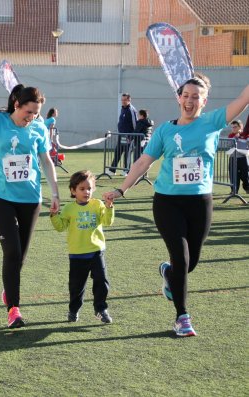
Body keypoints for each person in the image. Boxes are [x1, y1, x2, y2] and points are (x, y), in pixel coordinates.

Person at [103, 76, 249, 337]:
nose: (190, 100)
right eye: (187, 95)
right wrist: (121, 189)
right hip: (167, 202)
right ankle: (182, 317)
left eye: (196, 97)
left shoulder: (212, 122)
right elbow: (143, 162)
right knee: (181, 258)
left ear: (204, 101)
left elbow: (243, 100)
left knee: (189, 262)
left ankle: (168, 272)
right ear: (178, 98)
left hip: (200, 202)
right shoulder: (164, 131)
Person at [0, 64, 60, 328]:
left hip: (30, 198)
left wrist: (55, 192)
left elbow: (46, 160)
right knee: (12, 251)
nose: (31, 118)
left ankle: (9, 290)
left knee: (20, 257)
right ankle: (14, 309)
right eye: (28, 112)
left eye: (36, 113)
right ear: (16, 104)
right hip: (0, 196)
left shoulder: (38, 127)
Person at [50, 170, 114, 324]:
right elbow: (60, 227)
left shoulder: (97, 204)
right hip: (77, 254)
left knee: (102, 281)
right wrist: (54, 215)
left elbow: (107, 222)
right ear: (73, 191)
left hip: (96, 252)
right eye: (82, 189)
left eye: (89, 188)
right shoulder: (69, 209)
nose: (86, 192)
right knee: (76, 287)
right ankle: (74, 310)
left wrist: (109, 207)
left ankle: (100, 309)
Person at [108, 93, 137, 175]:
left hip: (129, 137)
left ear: (129, 100)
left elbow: (135, 124)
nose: (123, 101)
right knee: (117, 152)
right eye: (122, 100)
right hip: (121, 136)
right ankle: (112, 170)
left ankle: (126, 171)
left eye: (125, 100)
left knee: (127, 154)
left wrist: (132, 136)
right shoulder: (122, 109)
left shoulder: (132, 110)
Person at [227, 119, 249, 194]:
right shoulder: (231, 135)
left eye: (235, 127)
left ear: (240, 127)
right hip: (233, 159)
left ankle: (247, 188)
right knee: (233, 175)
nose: (233, 129)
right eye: (232, 127)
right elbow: (229, 145)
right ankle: (234, 190)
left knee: (245, 175)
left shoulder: (246, 135)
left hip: (243, 158)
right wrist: (236, 137)